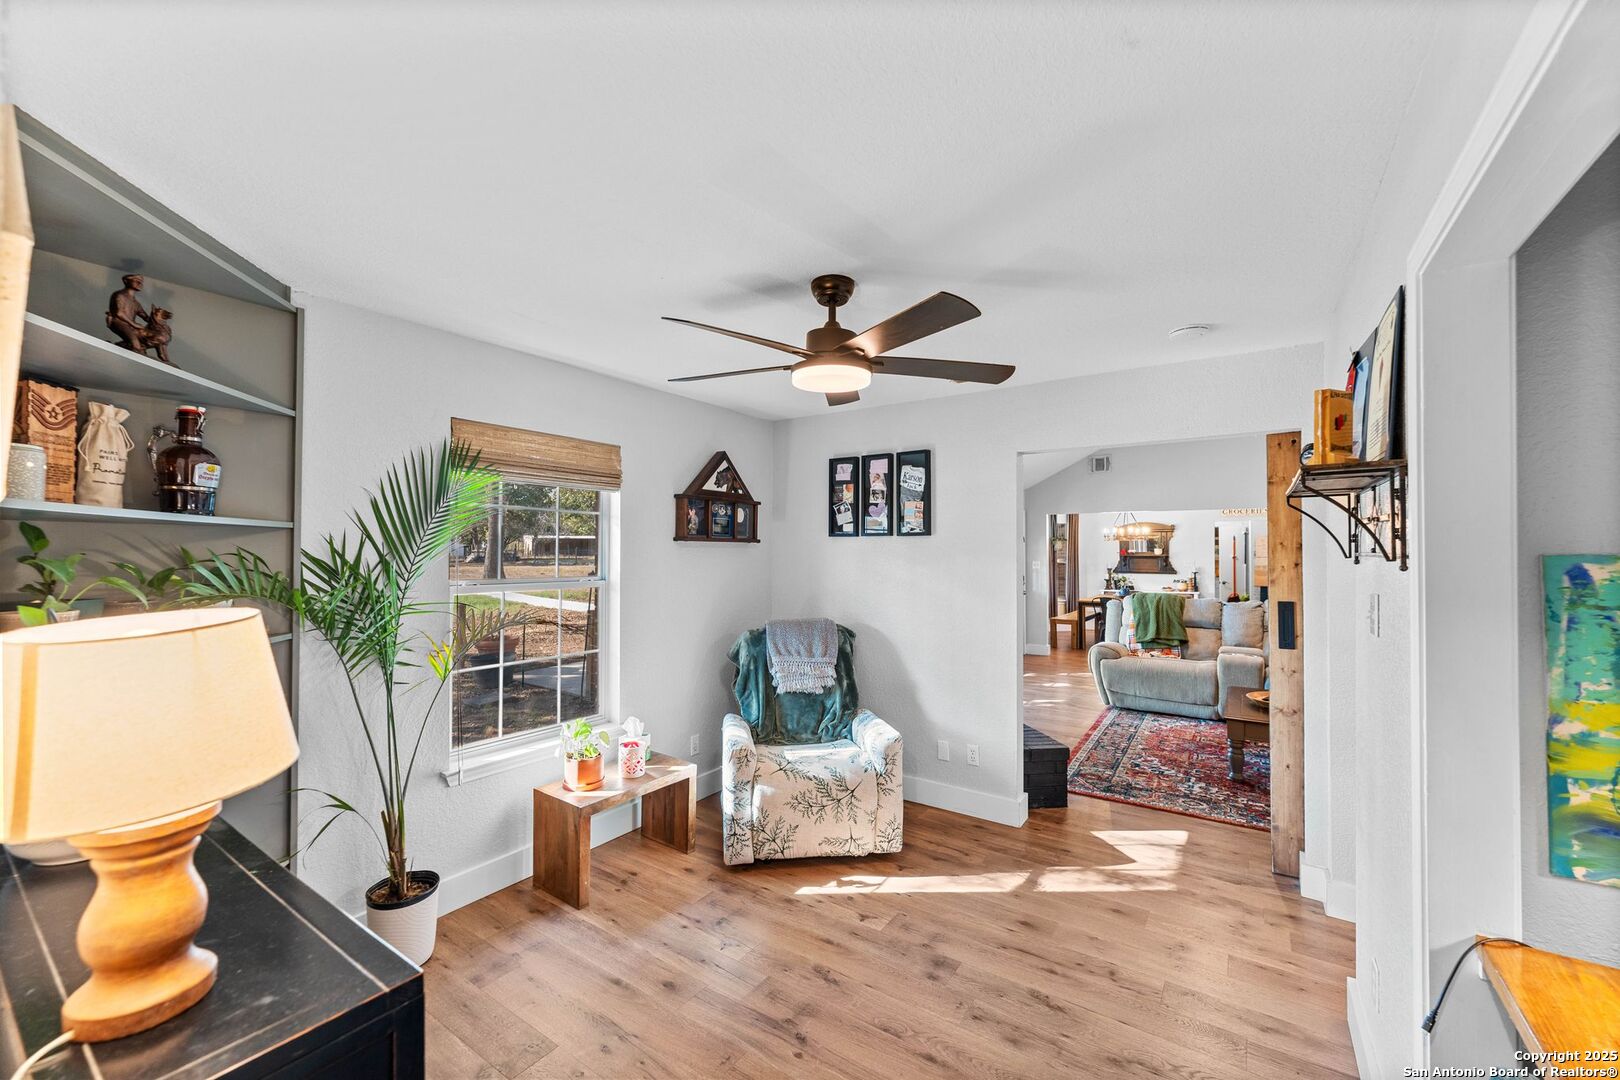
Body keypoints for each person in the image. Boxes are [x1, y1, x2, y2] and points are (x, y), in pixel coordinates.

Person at [106, 274, 150, 352]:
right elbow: (119, 313)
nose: (139, 284)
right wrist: (134, 324)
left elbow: (145, 316)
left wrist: (158, 319)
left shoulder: (136, 303)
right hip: (118, 322)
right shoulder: (120, 295)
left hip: (130, 326)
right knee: (136, 344)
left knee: (145, 341)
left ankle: (122, 345)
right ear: (126, 281)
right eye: (136, 281)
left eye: (140, 282)